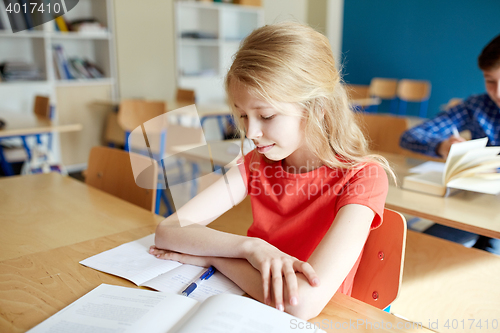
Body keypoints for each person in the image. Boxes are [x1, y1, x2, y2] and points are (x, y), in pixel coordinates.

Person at [149, 22, 392, 320]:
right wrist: (250, 247)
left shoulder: (364, 178)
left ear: (317, 108)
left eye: (266, 115)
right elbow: (168, 230)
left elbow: (300, 302)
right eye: (242, 115)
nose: (251, 131)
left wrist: (215, 256)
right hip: (248, 306)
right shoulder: (256, 163)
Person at [400, 33, 500, 255]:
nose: (498, 92)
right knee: (420, 250)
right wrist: (442, 146)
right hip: (469, 207)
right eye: (490, 81)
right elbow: (410, 136)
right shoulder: (477, 105)